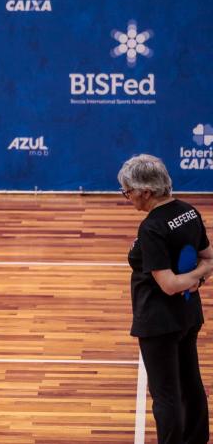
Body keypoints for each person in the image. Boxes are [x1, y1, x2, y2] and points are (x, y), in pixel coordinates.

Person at [118, 154, 213, 443]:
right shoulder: (188, 211)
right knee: (190, 384)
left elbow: (169, 284)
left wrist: (188, 280)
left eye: (128, 191)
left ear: (146, 191)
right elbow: (208, 260)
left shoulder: (152, 228)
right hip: (188, 314)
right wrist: (198, 278)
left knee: (166, 396)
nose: (127, 197)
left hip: (159, 322)